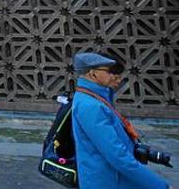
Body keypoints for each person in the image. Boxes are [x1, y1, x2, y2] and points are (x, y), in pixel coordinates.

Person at [71, 52, 172, 189]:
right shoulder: (91, 106)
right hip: (109, 181)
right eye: (109, 71)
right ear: (93, 74)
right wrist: (160, 186)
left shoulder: (96, 97)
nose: (114, 76)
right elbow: (117, 156)